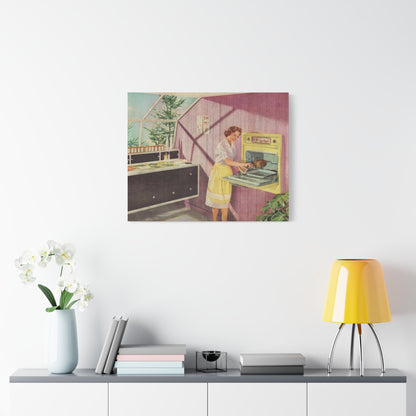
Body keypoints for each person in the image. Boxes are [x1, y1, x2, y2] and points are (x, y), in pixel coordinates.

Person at [205, 126, 252, 221]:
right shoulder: (221, 145)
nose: (235, 138)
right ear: (229, 132)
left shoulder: (232, 144)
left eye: (237, 136)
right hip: (218, 173)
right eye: (234, 135)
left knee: (225, 203)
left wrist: (239, 166)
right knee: (216, 203)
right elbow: (227, 161)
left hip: (227, 173)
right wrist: (243, 164)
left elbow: (231, 161)